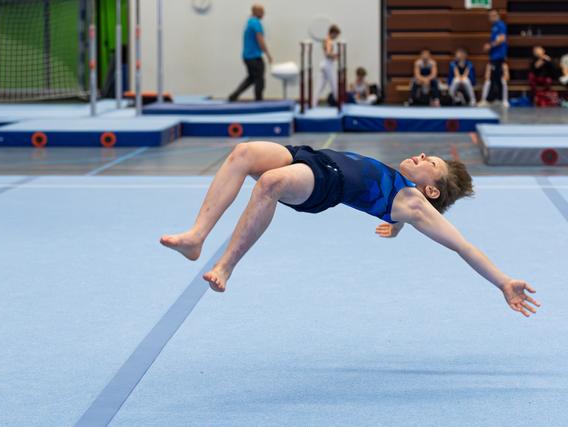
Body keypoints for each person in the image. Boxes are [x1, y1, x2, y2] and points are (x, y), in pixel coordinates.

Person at [160, 142, 541, 318]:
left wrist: (503, 281)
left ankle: (225, 265)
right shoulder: (404, 200)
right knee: (243, 153)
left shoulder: (413, 203)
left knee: (270, 183)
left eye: (431, 163)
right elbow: (403, 216)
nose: (422, 156)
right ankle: (196, 236)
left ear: (432, 190)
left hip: (326, 182)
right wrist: (395, 228)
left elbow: (464, 246)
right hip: (312, 156)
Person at [228, 4, 273, 102]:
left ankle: (233, 96)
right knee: (259, 79)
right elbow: (260, 40)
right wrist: (268, 55)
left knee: (252, 78)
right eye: (262, 11)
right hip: (254, 56)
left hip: (247, 56)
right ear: (256, 12)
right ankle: (258, 100)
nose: (264, 13)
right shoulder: (256, 23)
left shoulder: (250, 22)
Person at [479, 9, 509, 107]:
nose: (490, 18)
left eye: (492, 15)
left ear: (496, 16)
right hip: (494, 56)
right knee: (495, 77)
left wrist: (490, 45)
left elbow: (502, 38)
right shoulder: (494, 27)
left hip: (498, 56)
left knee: (495, 78)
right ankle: (498, 99)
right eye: (490, 16)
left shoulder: (500, 25)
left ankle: (490, 99)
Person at [313, 24, 341, 107]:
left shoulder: (326, 40)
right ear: (333, 33)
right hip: (328, 65)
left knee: (319, 86)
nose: (336, 37)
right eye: (336, 35)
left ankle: (313, 104)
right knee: (334, 85)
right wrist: (336, 56)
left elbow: (327, 53)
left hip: (324, 64)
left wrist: (333, 56)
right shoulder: (328, 40)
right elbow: (328, 54)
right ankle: (339, 103)